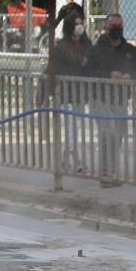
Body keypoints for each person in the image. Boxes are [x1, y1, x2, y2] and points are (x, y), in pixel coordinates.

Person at [81, 12, 136, 187]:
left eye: (119, 25)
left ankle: (111, 172)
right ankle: (106, 173)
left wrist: (130, 76)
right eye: (113, 25)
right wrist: (108, 75)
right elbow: (85, 71)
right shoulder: (96, 50)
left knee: (118, 136)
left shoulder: (130, 50)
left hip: (121, 99)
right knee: (109, 133)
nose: (116, 28)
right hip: (100, 99)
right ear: (106, 27)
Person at [44, 10, 92, 172]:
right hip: (65, 92)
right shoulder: (62, 46)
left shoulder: (87, 45)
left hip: (80, 92)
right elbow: (51, 68)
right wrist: (44, 92)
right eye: (76, 24)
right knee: (71, 126)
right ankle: (77, 160)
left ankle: (64, 160)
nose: (79, 27)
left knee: (76, 126)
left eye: (81, 23)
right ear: (69, 27)